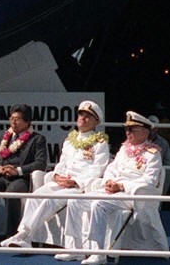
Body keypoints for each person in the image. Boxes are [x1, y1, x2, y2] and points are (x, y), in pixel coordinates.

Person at [1, 100, 110, 250]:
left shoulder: (100, 143)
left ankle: (25, 236)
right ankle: (23, 234)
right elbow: (61, 164)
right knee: (35, 197)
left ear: (96, 122)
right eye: (80, 115)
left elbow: (98, 169)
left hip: (79, 186)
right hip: (61, 182)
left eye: (88, 117)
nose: (82, 119)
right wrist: (57, 176)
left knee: (49, 202)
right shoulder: (70, 140)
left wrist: (75, 182)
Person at [65, 111, 164, 265]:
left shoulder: (152, 154)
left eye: (132, 130)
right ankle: (75, 248)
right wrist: (109, 180)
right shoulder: (124, 149)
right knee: (75, 201)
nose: (128, 133)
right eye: (126, 129)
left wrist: (122, 185)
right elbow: (112, 168)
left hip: (131, 195)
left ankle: (98, 253)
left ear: (145, 132)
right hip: (114, 190)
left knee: (99, 204)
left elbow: (149, 180)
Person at [0, 106, 48, 244]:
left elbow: (40, 163)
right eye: (11, 118)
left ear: (27, 122)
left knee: (12, 194)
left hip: (20, 178)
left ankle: (11, 236)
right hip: (0, 176)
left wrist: (18, 170)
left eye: (17, 119)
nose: (13, 122)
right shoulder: (3, 137)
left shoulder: (37, 139)